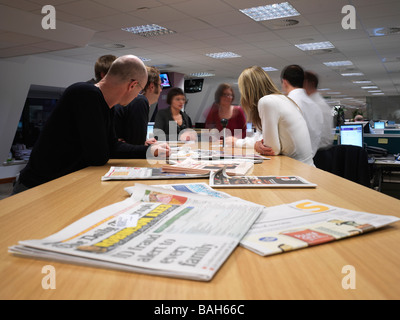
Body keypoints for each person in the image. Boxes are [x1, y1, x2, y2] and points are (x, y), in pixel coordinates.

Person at [13, 55, 169, 194]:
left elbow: (113, 147)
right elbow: (98, 156)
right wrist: (111, 148)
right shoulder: (85, 94)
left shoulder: (107, 106)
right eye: (140, 90)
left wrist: (150, 150)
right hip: (36, 187)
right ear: (132, 85)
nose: (138, 96)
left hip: (58, 186)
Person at [237, 66, 314, 166]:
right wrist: (258, 144)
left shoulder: (266, 102)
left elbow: (272, 149)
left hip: (295, 170)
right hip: (305, 167)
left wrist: (257, 145)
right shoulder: (282, 99)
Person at [281, 65, 324, 157]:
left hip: (290, 163)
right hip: (311, 162)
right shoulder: (316, 106)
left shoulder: (286, 103)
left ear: (284, 82)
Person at [114, 66, 162, 146]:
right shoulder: (139, 101)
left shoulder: (132, 100)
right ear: (152, 86)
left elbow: (133, 141)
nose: (161, 90)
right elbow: (136, 144)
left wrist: (144, 142)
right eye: (160, 85)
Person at [303, 70, 334, 149]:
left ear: (306, 83)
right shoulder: (316, 102)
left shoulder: (316, 105)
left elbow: (318, 136)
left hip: (318, 153)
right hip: (320, 151)